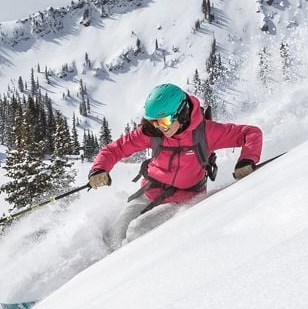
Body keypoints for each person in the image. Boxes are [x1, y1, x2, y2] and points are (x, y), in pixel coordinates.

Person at [88, 83, 262, 250]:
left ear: (182, 113)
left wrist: (246, 160)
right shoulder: (153, 133)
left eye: (163, 121)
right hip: (151, 190)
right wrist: (99, 169)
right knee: (116, 236)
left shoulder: (206, 133)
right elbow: (115, 149)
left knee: (137, 230)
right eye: (154, 122)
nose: (159, 127)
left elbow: (250, 133)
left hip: (184, 200)